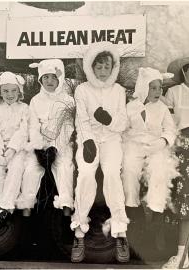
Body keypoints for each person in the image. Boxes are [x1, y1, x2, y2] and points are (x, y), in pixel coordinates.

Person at [70, 42, 129, 263]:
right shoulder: (82, 90)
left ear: (113, 68)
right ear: (91, 68)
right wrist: (87, 141)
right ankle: (79, 231)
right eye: (99, 67)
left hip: (112, 139)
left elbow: (122, 123)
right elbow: (81, 121)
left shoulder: (119, 91)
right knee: (85, 175)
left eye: (107, 67)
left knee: (113, 174)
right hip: (90, 139)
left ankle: (120, 231)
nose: (102, 71)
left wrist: (109, 120)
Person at [122, 67, 178, 249]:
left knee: (159, 172)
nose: (157, 92)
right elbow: (123, 129)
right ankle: (132, 210)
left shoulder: (162, 108)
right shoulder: (131, 107)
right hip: (134, 144)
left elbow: (170, 130)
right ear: (143, 88)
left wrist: (162, 142)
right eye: (152, 88)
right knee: (129, 170)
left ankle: (156, 216)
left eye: (159, 88)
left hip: (156, 146)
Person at [17, 59, 75, 217]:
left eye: (53, 77)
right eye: (45, 77)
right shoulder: (35, 100)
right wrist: (38, 146)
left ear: (60, 79)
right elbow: (33, 125)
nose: (49, 81)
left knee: (64, 166)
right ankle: (27, 205)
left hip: (60, 143)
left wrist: (57, 145)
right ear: (40, 80)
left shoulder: (68, 100)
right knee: (31, 167)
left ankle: (66, 205)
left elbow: (69, 126)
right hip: (40, 143)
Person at [0, 72, 28, 229]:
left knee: (16, 168)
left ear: (19, 92)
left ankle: (7, 207)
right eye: (6, 91)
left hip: (18, 148)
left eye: (13, 91)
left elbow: (23, 131)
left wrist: (12, 149)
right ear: (0, 93)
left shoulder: (24, 109)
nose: (10, 95)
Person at [161, 58, 189, 269]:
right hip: (182, 148)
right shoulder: (174, 92)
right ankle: (182, 256)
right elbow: (168, 122)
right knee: (184, 202)